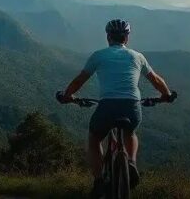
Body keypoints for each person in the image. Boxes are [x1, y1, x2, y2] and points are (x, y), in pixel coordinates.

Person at [57, 19, 175, 195]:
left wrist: (67, 96)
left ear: (108, 37)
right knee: (130, 133)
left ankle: (98, 181)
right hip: (132, 106)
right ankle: (132, 162)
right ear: (126, 38)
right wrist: (166, 96)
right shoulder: (138, 57)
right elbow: (157, 80)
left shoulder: (99, 55)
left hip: (107, 106)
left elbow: (79, 80)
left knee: (95, 138)